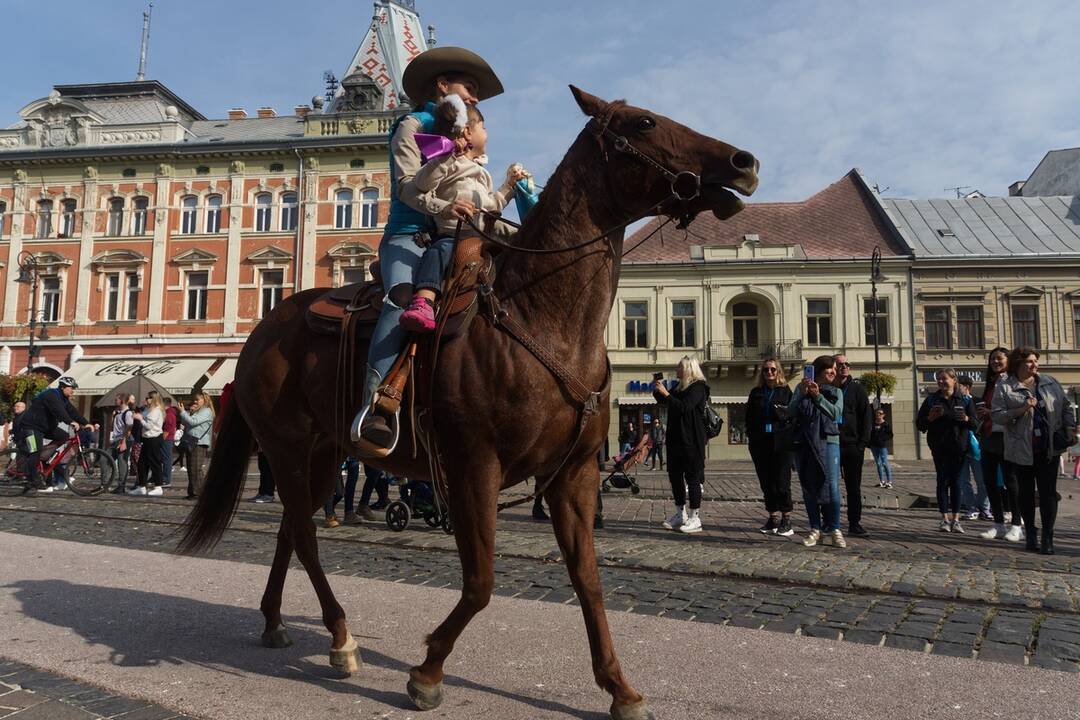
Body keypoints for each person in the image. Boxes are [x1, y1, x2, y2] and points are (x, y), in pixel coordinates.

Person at [355, 46, 504, 448]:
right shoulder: (412, 126)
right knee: (403, 302)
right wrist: (445, 206)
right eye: (469, 88)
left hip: (452, 237)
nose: (474, 98)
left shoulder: (461, 137)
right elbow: (405, 188)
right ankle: (376, 406)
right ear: (442, 87)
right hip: (408, 238)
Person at [398, 98, 527, 332]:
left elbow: (490, 207)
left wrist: (509, 185)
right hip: (452, 235)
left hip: (480, 237)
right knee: (440, 251)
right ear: (467, 131)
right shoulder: (448, 162)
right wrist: (445, 158)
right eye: (484, 128)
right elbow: (422, 183)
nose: (487, 134)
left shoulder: (483, 173)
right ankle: (424, 300)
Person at [993, 347, 1076, 555]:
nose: (1034, 365)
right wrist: (1021, 409)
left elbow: (1066, 406)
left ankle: (1048, 537)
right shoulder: (1005, 386)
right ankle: (1030, 533)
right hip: (1021, 448)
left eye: (1035, 361)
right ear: (1018, 364)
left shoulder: (1049, 382)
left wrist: (1069, 427)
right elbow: (997, 415)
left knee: (1048, 494)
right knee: (1026, 494)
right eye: (1029, 361)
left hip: (1048, 448)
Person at [790, 356, 845, 548]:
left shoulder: (837, 391)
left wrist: (817, 396)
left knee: (831, 486)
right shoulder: (800, 388)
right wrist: (802, 394)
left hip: (829, 441)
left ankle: (834, 528)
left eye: (835, 369)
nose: (833, 372)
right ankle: (815, 528)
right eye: (829, 369)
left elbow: (836, 413)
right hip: (805, 442)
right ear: (818, 370)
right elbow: (790, 412)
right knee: (808, 485)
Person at [916, 369, 978, 533]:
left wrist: (965, 418)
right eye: (939, 379)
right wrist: (930, 418)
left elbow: (975, 424)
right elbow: (919, 424)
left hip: (959, 447)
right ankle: (944, 519)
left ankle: (956, 519)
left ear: (954, 380)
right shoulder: (931, 400)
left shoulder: (964, 400)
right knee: (942, 481)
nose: (941, 382)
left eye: (944, 379)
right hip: (939, 447)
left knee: (956, 482)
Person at [652, 356, 709, 534]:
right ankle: (680, 514)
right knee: (675, 477)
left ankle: (695, 517)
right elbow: (664, 401)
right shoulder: (678, 387)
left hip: (691, 440)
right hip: (675, 440)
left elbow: (685, 407)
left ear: (688, 369)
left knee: (692, 479)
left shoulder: (699, 387)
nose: (676, 370)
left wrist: (667, 394)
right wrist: (657, 388)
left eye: (679, 367)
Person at [746, 358, 795, 536]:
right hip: (761, 443)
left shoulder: (785, 392)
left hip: (782, 443)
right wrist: (751, 437)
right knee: (766, 482)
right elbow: (749, 418)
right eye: (766, 370)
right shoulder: (756, 392)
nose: (769, 373)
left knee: (782, 482)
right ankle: (773, 516)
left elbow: (792, 417)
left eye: (773, 370)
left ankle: (786, 518)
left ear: (779, 372)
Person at [976, 348, 1021, 541]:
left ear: (1008, 361)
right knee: (990, 482)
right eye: (992, 359)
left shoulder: (1013, 381)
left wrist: (991, 412)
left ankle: (1017, 525)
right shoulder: (991, 383)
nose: (995, 362)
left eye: (999, 358)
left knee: (1011, 482)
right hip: (989, 437)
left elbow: (1016, 405)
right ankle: (998, 524)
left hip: (1008, 437)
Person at [16, 377, 89, 494]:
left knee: (64, 436)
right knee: (35, 452)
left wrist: (86, 423)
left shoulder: (64, 399)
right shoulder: (51, 394)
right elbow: (59, 411)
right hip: (31, 427)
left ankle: (46, 456)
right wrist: (70, 421)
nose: (72, 391)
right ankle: (32, 481)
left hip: (46, 427)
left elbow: (72, 411)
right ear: (62, 387)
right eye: (71, 388)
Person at [833, 354, 872, 537]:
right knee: (829, 485)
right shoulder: (828, 387)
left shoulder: (857, 389)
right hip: (831, 443)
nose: (844, 367)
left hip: (852, 445)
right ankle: (830, 522)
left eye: (847, 364)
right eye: (840, 364)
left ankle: (854, 522)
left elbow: (866, 417)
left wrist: (862, 444)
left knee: (853, 487)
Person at [956, 375, 991, 521]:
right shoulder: (954, 402)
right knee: (964, 481)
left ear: (966, 386)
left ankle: (984, 507)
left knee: (982, 480)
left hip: (977, 445)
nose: (956, 388)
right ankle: (972, 507)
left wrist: (968, 419)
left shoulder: (978, 402)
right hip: (961, 446)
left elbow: (980, 423)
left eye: (958, 385)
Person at [178, 392, 214, 500]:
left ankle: (198, 493)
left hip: (199, 443)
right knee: (191, 468)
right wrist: (188, 413)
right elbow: (186, 423)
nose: (195, 401)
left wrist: (183, 412)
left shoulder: (206, 411)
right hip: (191, 442)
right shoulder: (197, 411)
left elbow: (193, 422)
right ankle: (194, 492)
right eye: (194, 400)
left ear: (204, 400)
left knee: (195, 468)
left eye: (197, 400)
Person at [129, 391, 165, 496]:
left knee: (155, 462)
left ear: (154, 399)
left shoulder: (156, 410)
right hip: (146, 439)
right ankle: (142, 486)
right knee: (142, 463)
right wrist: (136, 414)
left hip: (154, 438)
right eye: (146, 397)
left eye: (149, 398)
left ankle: (158, 486)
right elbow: (141, 415)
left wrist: (140, 419)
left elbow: (149, 426)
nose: (147, 399)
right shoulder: (148, 409)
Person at [110, 394, 135, 494]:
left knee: (122, 462)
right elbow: (113, 427)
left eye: (116, 399)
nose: (115, 401)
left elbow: (129, 428)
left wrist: (124, 442)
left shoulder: (128, 413)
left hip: (124, 440)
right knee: (106, 459)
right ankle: (106, 483)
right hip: (116, 439)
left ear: (122, 401)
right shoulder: (118, 413)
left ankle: (121, 486)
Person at [869, 409, 893, 488]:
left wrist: (883, 438)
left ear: (883, 415)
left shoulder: (885, 424)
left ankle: (889, 482)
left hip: (882, 446)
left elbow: (890, 435)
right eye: (877, 413)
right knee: (878, 464)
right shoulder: (873, 424)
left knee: (885, 463)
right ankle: (881, 481)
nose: (878, 415)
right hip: (874, 446)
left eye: (880, 413)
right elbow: (870, 434)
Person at [160, 397, 178, 488]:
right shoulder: (168, 413)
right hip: (168, 439)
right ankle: (162, 477)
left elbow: (167, 430)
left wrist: (161, 440)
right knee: (164, 459)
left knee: (166, 459)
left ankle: (166, 479)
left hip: (167, 439)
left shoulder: (169, 414)